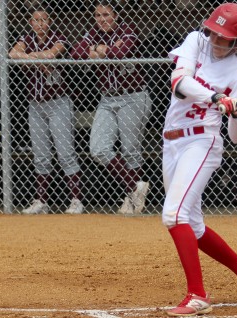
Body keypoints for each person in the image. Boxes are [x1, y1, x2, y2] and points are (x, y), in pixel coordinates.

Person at [161, 3, 237, 316]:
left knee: (174, 215)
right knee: (194, 226)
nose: (214, 39)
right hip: (172, 140)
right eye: (213, 31)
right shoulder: (195, 41)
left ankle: (197, 296)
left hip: (202, 142)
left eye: (223, 36)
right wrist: (216, 98)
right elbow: (179, 83)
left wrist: (236, 112)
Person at [71, 0, 152, 215]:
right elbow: (77, 53)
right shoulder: (93, 34)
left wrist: (96, 51)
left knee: (130, 150)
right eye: (97, 16)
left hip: (133, 96)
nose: (102, 19)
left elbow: (120, 53)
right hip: (107, 99)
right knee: (98, 148)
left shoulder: (128, 29)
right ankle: (135, 188)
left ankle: (132, 200)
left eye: (106, 14)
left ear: (114, 15)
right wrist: (102, 48)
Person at [9, 4, 84, 214]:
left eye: (43, 20)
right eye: (36, 20)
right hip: (35, 104)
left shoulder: (59, 37)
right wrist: (34, 58)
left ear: (49, 21)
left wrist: (31, 57)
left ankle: (76, 200)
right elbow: (13, 53)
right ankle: (41, 201)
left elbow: (52, 54)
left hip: (58, 102)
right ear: (31, 23)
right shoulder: (27, 38)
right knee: (40, 154)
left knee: (65, 152)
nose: (40, 23)